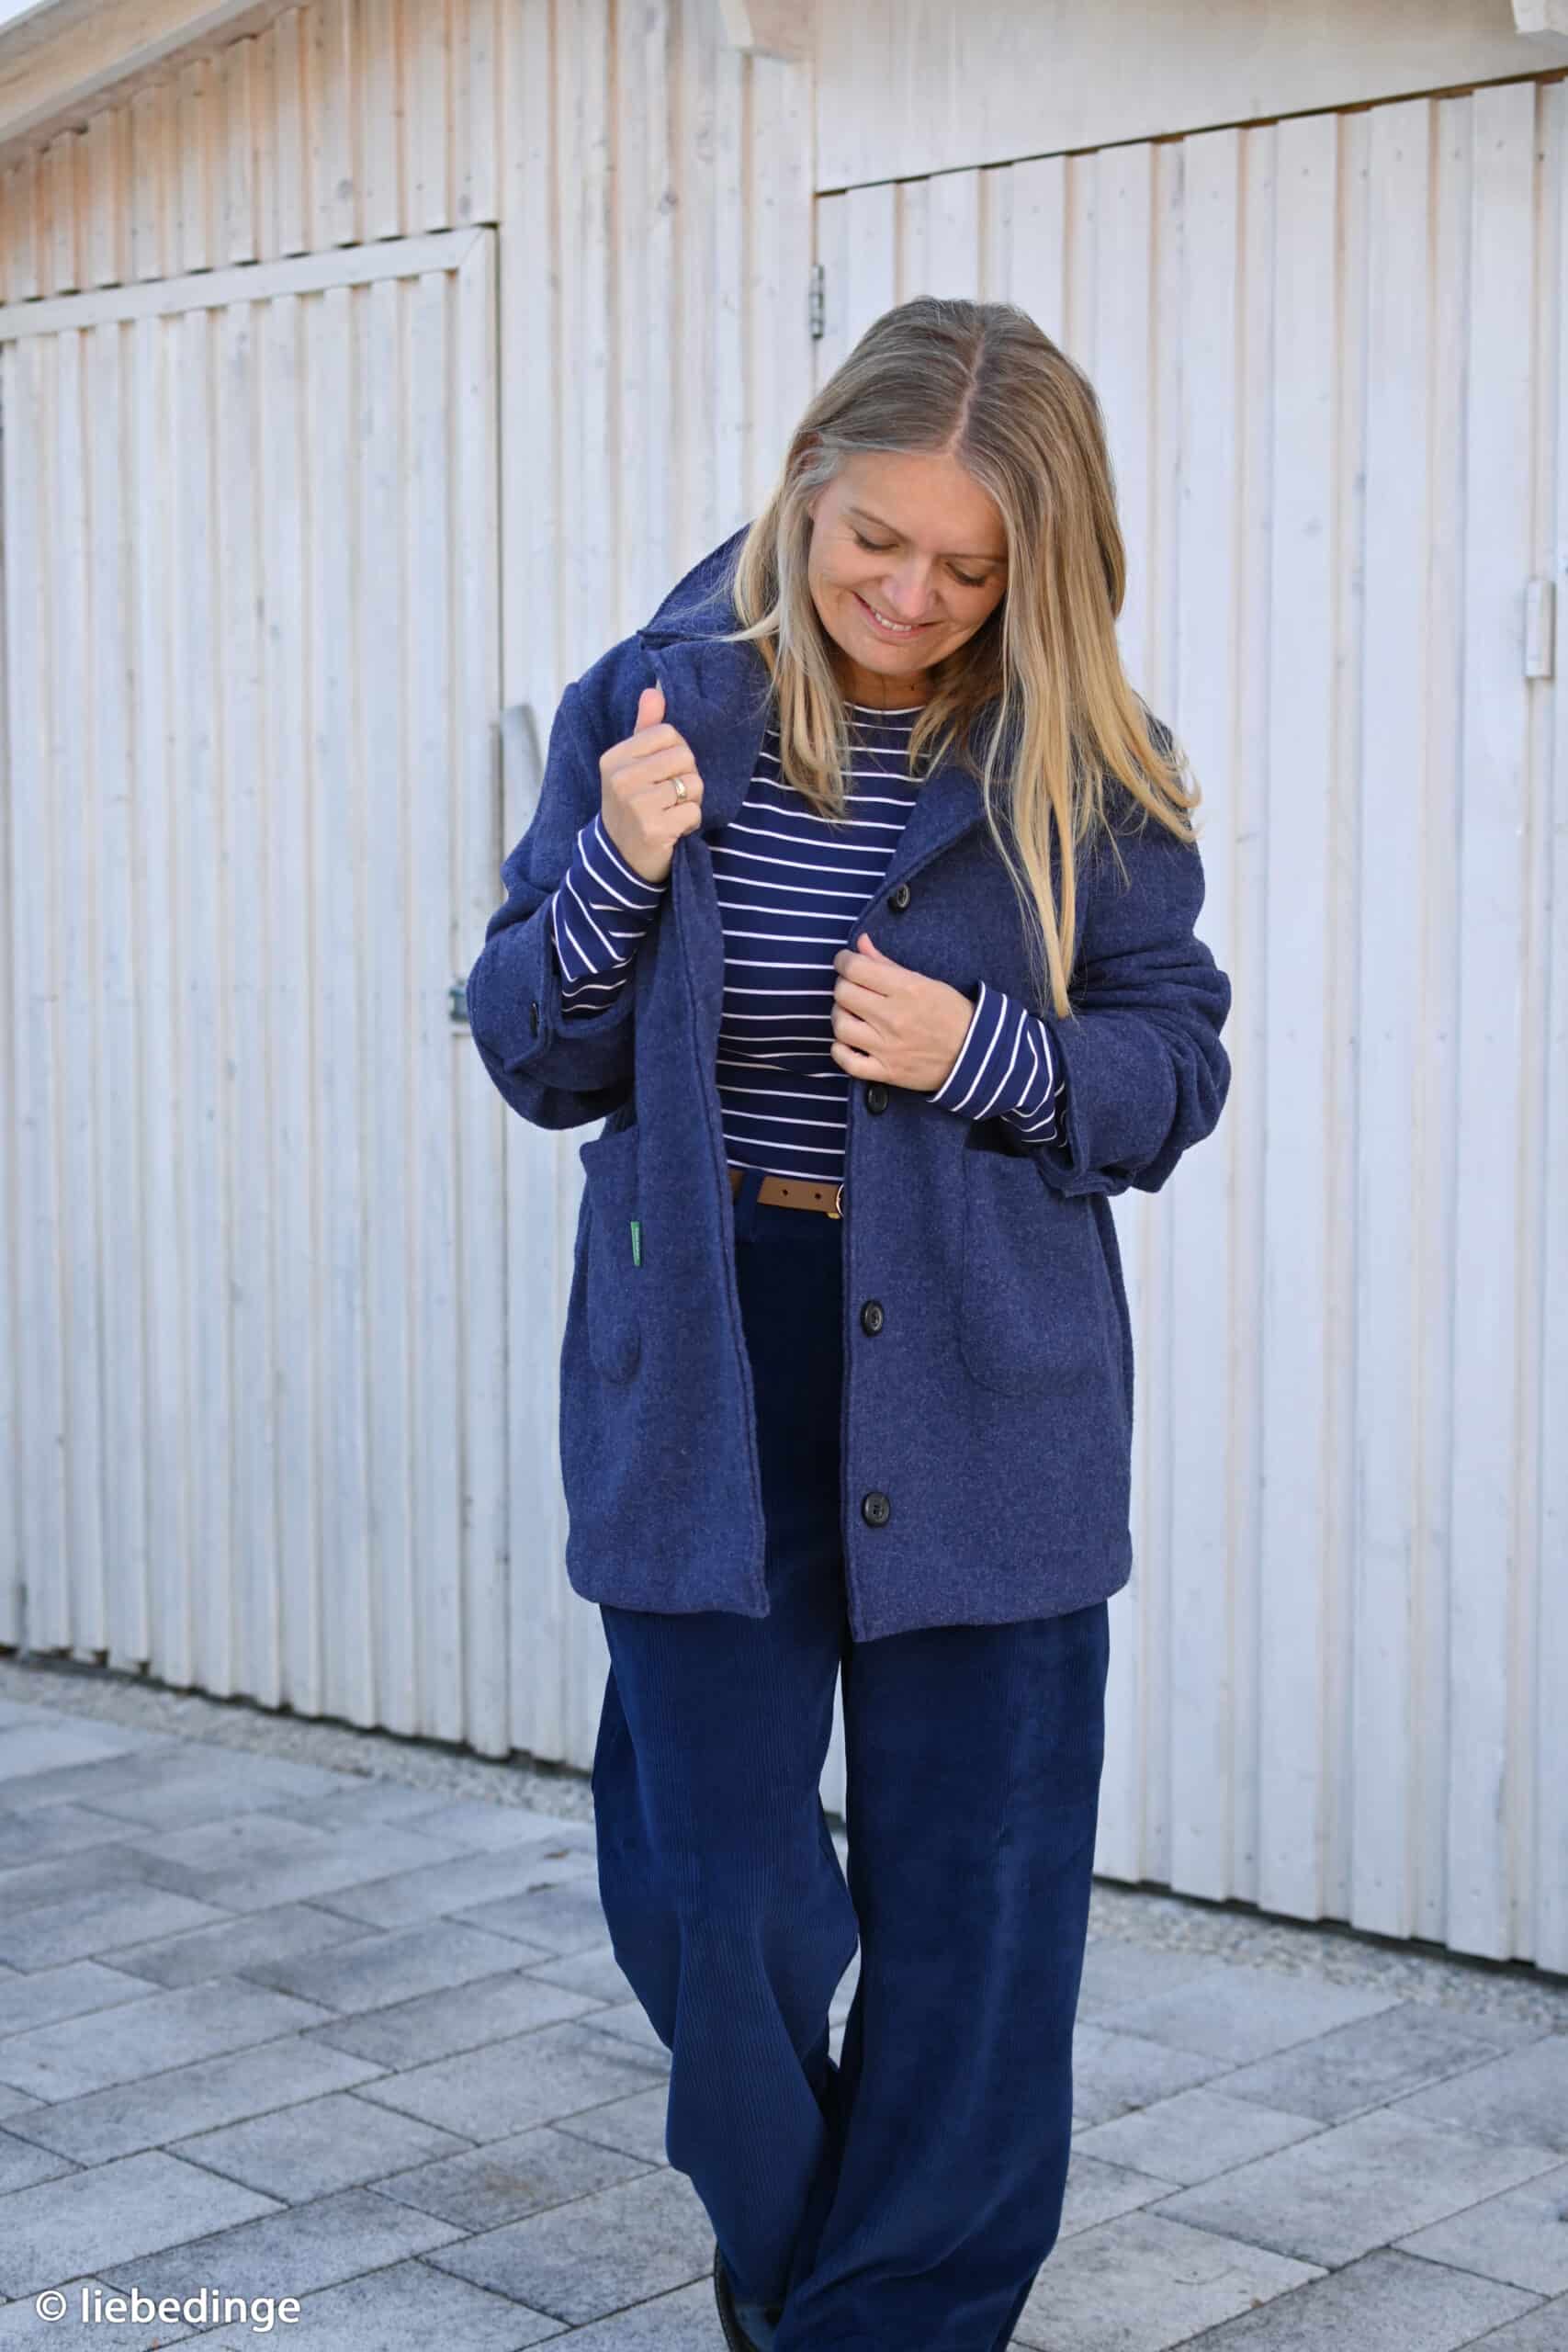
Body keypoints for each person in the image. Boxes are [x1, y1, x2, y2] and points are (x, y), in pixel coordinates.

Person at [465, 295, 1234, 2352]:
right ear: (806, 485)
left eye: (968, 566)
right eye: (874, 538)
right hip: (709, 1361)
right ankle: (812, 2260)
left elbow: (1174, 1068)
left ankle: (891, 2317)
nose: (908, 595)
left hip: (987, 1375)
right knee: (706, 1885)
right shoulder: (651, 703)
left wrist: (987, 1052)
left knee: (978, 1901)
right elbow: (531, 1049)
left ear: (1040, 564)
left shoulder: (1094, 765)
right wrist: (617, 867)